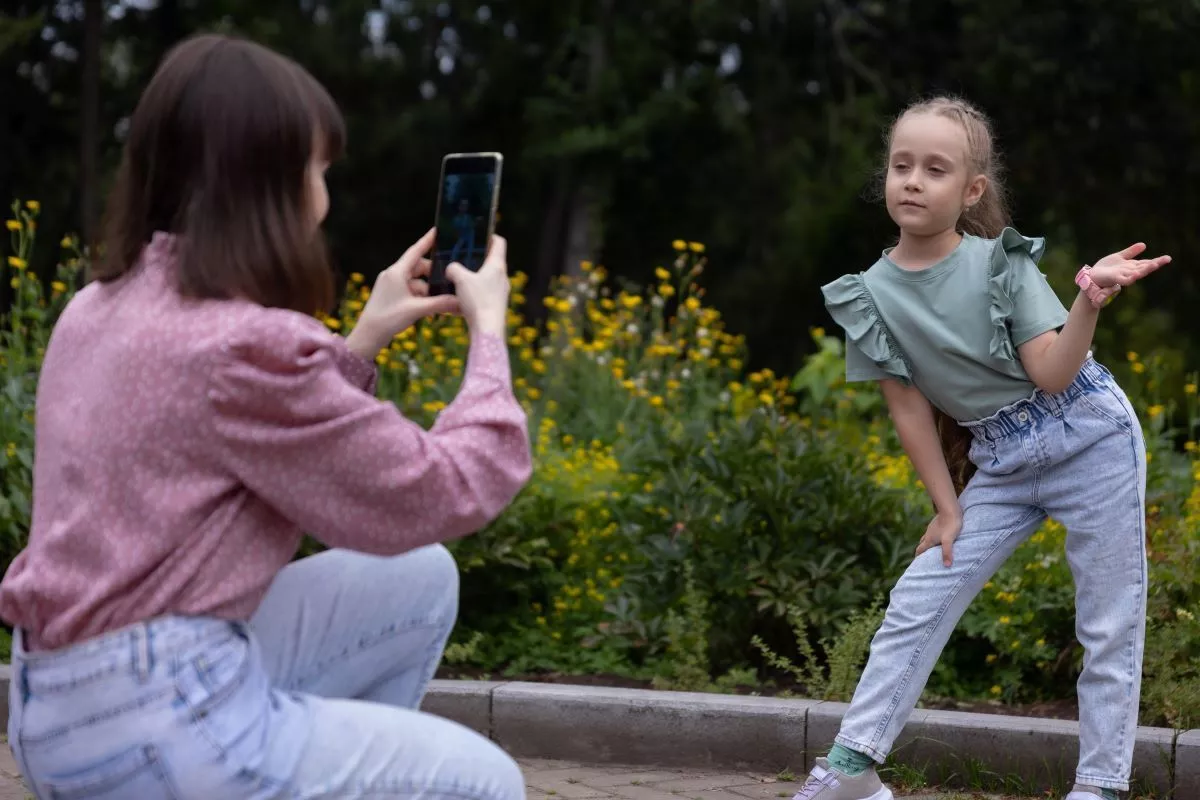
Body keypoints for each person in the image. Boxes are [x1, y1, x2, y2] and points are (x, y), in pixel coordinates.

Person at [0, 33, 532, 800]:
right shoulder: (245, 345)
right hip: (152, 727)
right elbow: (448, 486)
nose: (325, 196)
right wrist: (489, 331)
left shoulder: (96, 308)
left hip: (56, 702)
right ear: (268, 182)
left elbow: (248, 435)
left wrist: (364, 336)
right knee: (486, 781)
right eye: (317, 170)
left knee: (419, 580)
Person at [794, 96, 1170, 800]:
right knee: (917, 599)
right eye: (901, 165)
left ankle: (1100, 786)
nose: (912, 180)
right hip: (999, 460)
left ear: (970, 191)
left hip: (1089, 436)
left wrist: (1087, 299)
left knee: (1107, 620)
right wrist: (945, 506)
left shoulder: (1001, 264)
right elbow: (908, 408)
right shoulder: (870, 295)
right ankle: (853, 770)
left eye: (934, 170)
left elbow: (1053, 374)